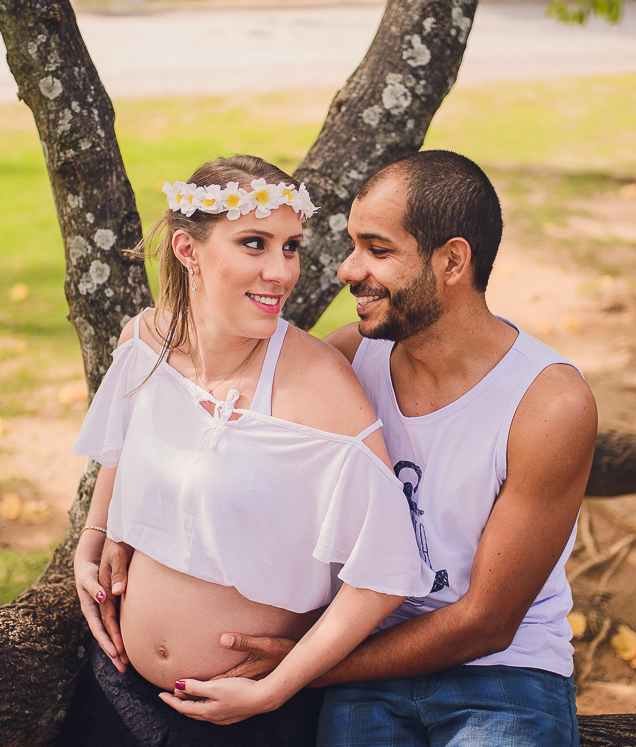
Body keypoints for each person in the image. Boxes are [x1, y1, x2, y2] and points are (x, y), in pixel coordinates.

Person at [188, 150, 597, 745]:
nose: (348, 270)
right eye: (354, 246)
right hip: (364, 659)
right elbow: (222, 420)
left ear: (453, 260)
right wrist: (115, 532)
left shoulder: (547, 404)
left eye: (377, 251)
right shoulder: (352, 358)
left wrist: (299, 669)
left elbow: (486, 623)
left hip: (500, 675)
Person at [65, 155, 435, 747]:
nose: (280, 272)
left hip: (246, 720)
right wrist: (93, 536)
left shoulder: (322, 390)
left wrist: (278, 687)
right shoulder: (146, 341)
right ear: (188, 251)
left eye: (290, 247)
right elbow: (124, 438)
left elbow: (384, 573)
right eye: (255, 244)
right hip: (117, 685)